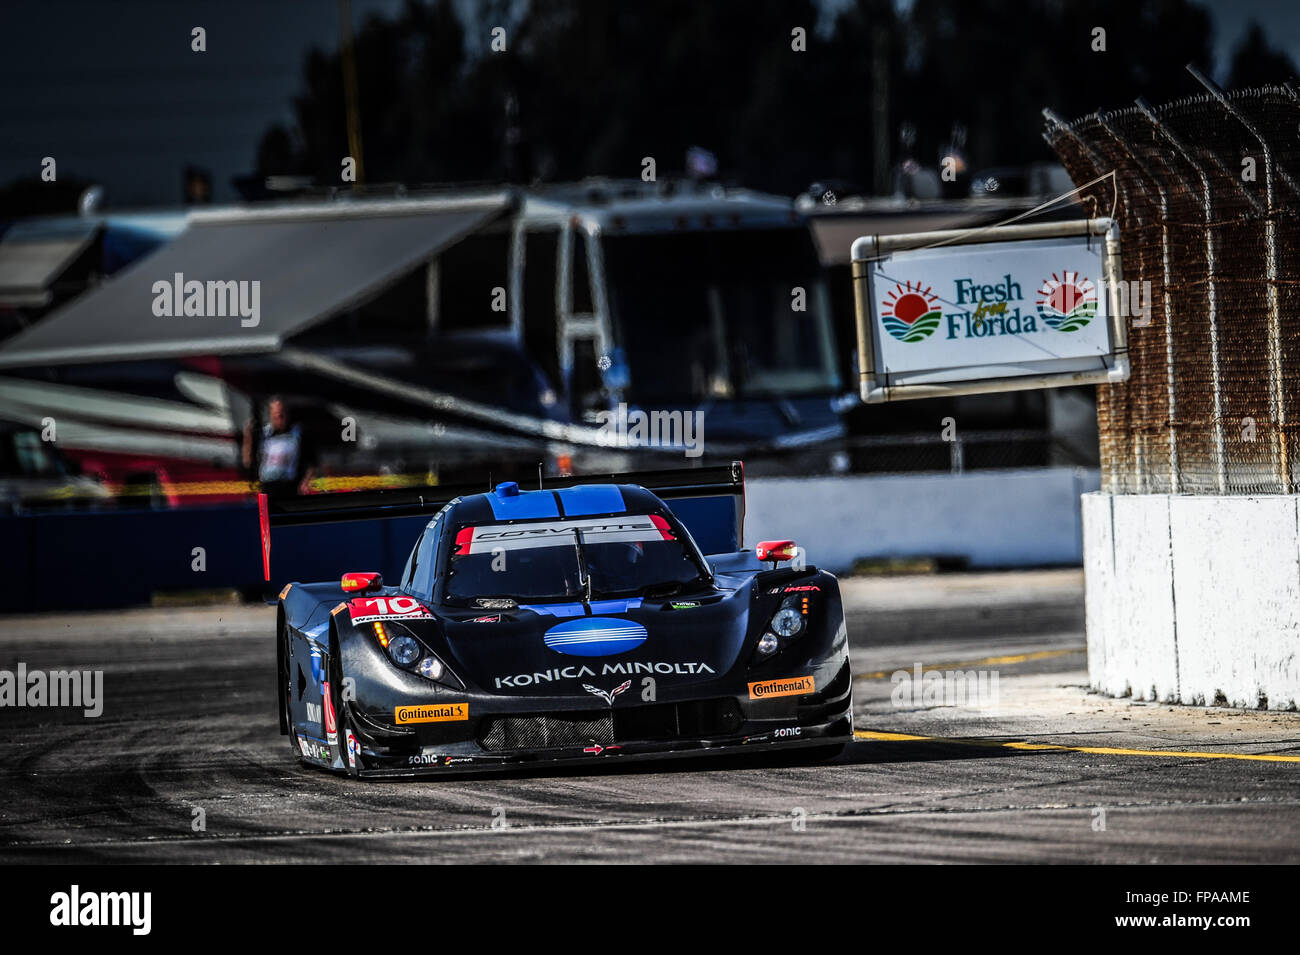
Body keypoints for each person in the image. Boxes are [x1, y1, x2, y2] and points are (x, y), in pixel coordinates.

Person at [242, 396, 317, 497]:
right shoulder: (263, 435)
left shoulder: (299, 435)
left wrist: (306, 482)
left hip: (291, 488)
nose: (279, 419)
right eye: (275, 416)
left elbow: (312, 464)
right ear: (270, 415)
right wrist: (248, 438)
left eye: (282, 415)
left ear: (287, 414)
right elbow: (248, 462)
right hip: (268, 488)